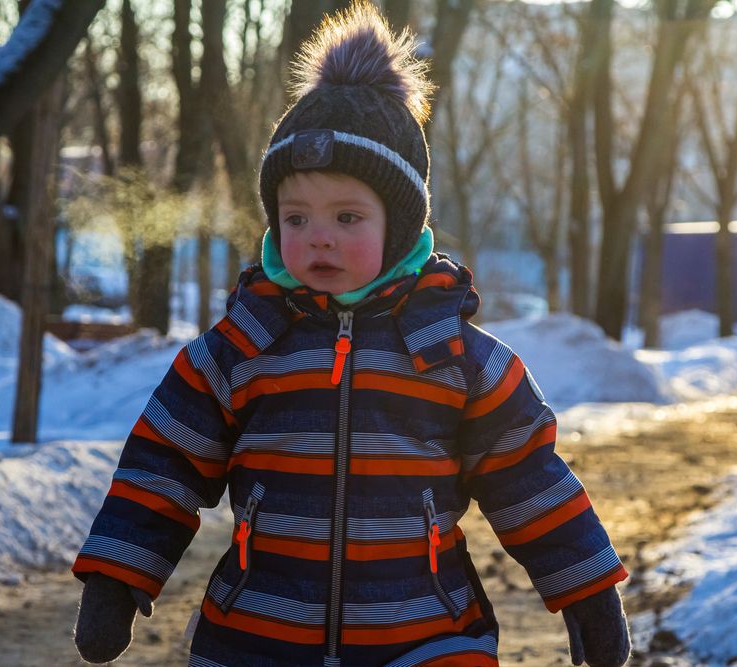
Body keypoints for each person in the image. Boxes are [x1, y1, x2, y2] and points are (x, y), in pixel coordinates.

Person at [72, 3, 631, 665]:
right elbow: (163, 463)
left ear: (398, 227)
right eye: (297, 217)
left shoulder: (455, 358)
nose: (320, 236)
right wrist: (116, 575)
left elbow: (529, 477)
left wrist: (587, 588)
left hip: (424, 635)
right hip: (259, 634)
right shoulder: (241, 347)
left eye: (346, 215)